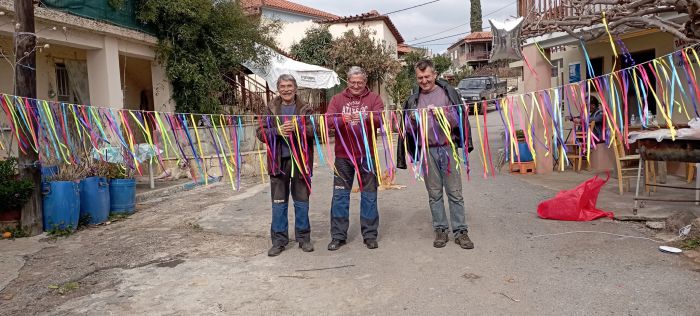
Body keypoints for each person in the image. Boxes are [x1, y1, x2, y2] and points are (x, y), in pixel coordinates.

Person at [396, 59, 475, 249]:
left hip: (448, 149)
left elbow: (459, 120)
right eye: (420, 77)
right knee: (434, 193)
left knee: (455, 192)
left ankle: (460, 231)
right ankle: (440, 230)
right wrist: (413, 120)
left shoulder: (448, 93)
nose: (424, 81)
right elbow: (407, 129)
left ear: (435, 75)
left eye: (427, 76)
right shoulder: (413, 99)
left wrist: (441, 114)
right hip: (427, 150)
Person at [256, 74, 316, 257]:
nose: (286, 89)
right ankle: (279, 241)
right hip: (278, 162)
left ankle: (304, 238)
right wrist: (277, 131)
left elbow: (315, 130)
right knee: (279, 204)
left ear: (295, 88)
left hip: (300, 162)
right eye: (283, 86)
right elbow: (260, 132)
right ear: (278, 88)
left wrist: (298, 129)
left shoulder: (306, 108)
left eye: (290, 86)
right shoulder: (270, 108)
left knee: (301, 202)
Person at [325, 66, 384, 251]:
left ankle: (370, 235)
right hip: (343, 157)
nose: (356, 85)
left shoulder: (374, 98)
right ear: (348, 81)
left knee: (369, 196)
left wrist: (365, 117)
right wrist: (343, 119)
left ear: (365, 82)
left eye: (360, 82)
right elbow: (327, 121)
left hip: (367, 155)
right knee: (340, 196)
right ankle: (338, 236)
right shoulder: (337, 99)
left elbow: (380, 119)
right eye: (353, 82)